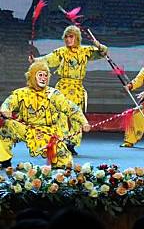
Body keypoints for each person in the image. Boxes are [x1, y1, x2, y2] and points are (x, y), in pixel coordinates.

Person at [0, 61, 90, 168]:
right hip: (27, 128)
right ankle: (4, 160)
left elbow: (71, 107)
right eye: (40, 75)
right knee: (8, 126)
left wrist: (84, 122)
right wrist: (5, 109)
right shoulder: (21, 93)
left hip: (49, 133)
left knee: (64, 164)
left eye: (46, 75)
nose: (43, 78)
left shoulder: (54, 94)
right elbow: (9, 102)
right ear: (32, 76)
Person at [31, 25, 107, 155]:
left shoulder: (85, 51)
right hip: (63, 87)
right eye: (66, 36)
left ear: (77, 38)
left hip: (77, 88)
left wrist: (99, 45)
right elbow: (47, 59)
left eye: (71, 36)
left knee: (76, 116)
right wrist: (35, 60)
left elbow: (102, 53)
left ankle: (72, 143)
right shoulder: (61, 52)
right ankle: (62, 142)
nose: (68, 39)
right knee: (61, 115)